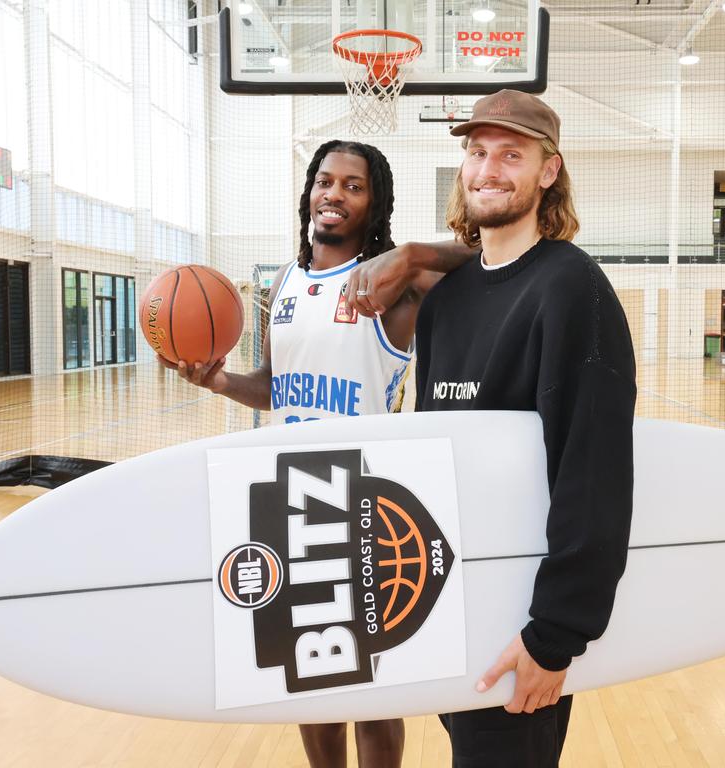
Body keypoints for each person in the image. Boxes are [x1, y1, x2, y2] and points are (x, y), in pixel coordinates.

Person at [347, 89, 637, 768]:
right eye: (476, 152)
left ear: (548, 171)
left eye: (512, 154)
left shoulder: (572, 290)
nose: (488, 169)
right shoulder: (446, 302)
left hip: (521, 619)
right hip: (448, 601)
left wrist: (554, 635)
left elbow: (592, 474)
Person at [158, 139, 466, 768]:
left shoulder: (394, 284)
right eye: (325, 181)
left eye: (353, 186)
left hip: (367, 504)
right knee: (310, 686)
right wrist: (219, 381)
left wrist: (408, 254)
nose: (333, 194)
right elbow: (274, 383)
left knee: (375, 695)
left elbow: (486, 257)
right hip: (291, 498)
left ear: (374, 203)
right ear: (308, 192)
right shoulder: (286, 280)